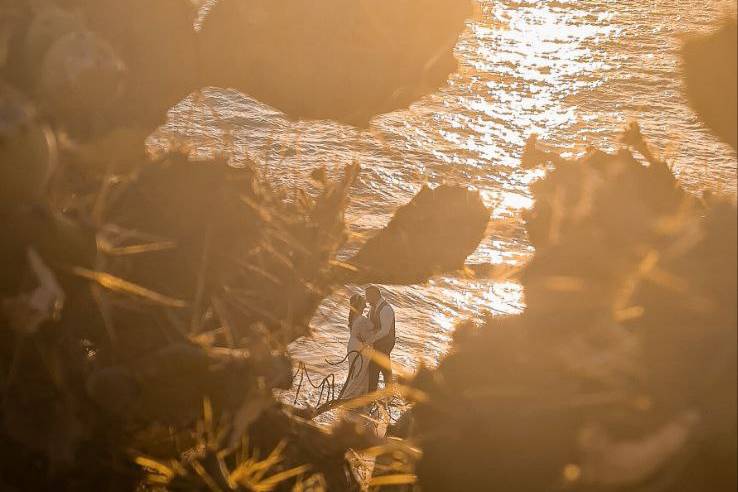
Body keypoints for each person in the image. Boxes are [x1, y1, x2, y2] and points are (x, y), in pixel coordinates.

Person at [340, 293, 374, 400]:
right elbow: (364, 336)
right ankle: (350, 397)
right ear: (359, 305)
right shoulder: (361, 319)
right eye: (363, 304)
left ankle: (349, 395)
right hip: (359, 347)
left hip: (352, 345)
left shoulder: (353, 317)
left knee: (354, 372)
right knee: (360, 373)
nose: (365, 306)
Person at [365, 285, 396, 392]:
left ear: (375, 295)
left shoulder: (386, 309)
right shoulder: (373, 308)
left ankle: (371, 392)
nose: (366, 299)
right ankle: (389, 390)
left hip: (386, 343)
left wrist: (370, 340)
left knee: (374, 367)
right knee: (384, 366)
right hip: (378, 343)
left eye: (368, 296)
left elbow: (385, 331)